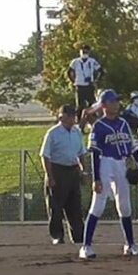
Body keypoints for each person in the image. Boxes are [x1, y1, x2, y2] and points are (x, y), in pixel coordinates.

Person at [79, 90, 138, 259]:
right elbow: (95, 152)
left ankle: (130, 244)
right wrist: (96, 178)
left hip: (121, 163)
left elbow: (132, 147)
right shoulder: (99, 126)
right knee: (98, 204)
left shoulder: (123, 123)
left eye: (117, 101)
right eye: (113, 101)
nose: (116, 104)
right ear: (104, 105)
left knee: (125, 206)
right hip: (105, 163)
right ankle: (86, 247)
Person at [40, 105, 88, 245]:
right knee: (55, 206)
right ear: (62, 117)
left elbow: (81, 154)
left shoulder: (77, 132)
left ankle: (78, 236)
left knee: (75, 206)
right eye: (70, 115)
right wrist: (50, 176)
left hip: (72, 170)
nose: (73, 118)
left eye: (74, 115)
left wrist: (83, 171)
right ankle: (57, 235)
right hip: (57, 170)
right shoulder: (53, 133)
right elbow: (45, 155)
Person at [68, 44, 104, 121]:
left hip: (89, 85)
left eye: (86, 52)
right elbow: (69, 72)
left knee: (92, 104)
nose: (84, 53)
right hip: (79, 85)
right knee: (80, 105)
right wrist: (73, 81)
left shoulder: (92, 61)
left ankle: (93, 120)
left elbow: (101, 71)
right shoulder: (75, 62)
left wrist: (96, 80)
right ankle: (79, 121)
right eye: (83, 51)